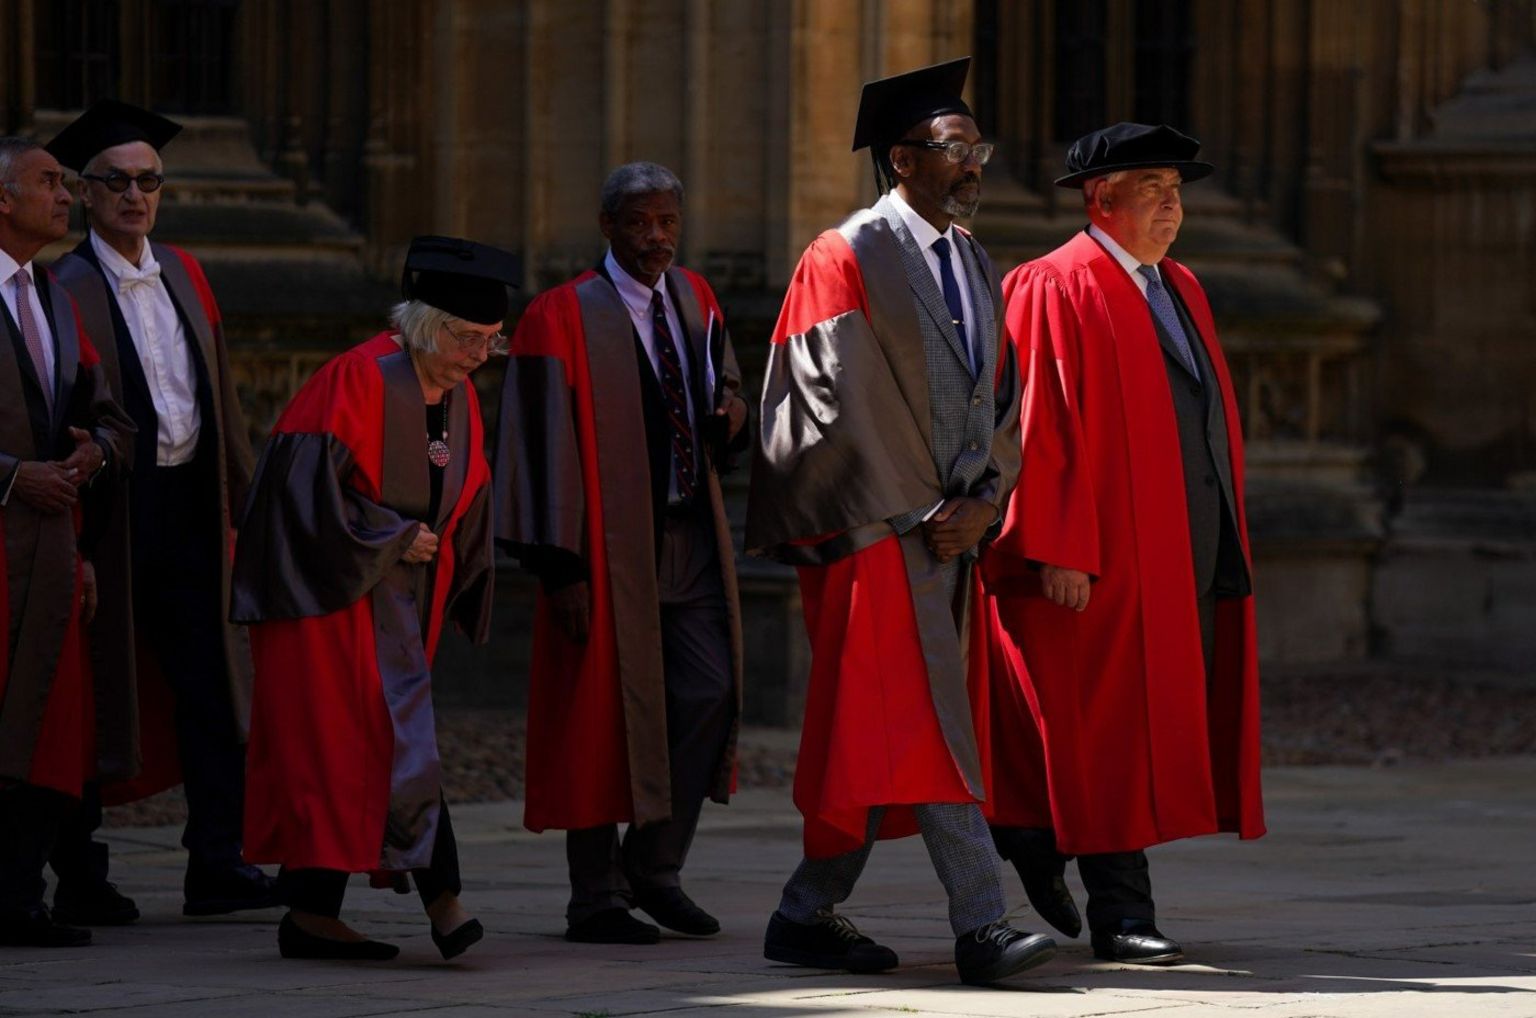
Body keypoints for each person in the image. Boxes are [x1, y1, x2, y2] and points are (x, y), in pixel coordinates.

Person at [744, 58, 1054, 987]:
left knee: (889, 735)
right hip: (877, 532)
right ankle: (983, 928)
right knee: (925, 725)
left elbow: (1002, 400)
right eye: (954, 149)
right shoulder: (842, 256)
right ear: (898, 159)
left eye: (977, 149)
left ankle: (804, 912)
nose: (973, 167)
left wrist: (985, 500)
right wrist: (927, 509)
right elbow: (829, 404)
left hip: (949, 538)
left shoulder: (972, 258)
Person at [981, 123, 1264, 966]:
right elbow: (1037, 427)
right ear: (1101, 198)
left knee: (1125, 731)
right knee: (1098, 730)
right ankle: (1118, 910)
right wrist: (1057, 542)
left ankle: (1032, 835)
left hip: (1173, 548)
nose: (1173, 205)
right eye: (1153, 188)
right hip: (1093, 556)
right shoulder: (1051, 285)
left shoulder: (1180, 287)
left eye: (1177, 189)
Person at [229, 235, 505, 961]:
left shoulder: (459, 392)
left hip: (400, 606)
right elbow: (294, 500)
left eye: (490, 341)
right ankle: (446, 904)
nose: (479, 354)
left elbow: (465, 493)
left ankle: (311, 915)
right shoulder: (356, 378)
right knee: (379, 746)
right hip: (332, 604)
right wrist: (388, 536)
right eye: (467, 337)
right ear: (423, 323)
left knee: (357, 754)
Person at [495, 161, 747, 945]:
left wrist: (730, 411)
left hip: (688, 535)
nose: (656, 238)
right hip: (601, 547)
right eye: (639, 223)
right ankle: (595, 896)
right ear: (608, 227)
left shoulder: (695, 297)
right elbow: (533, 448)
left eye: (668, 222)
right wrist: (558, 568)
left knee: (707, 691)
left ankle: (655, 865)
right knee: (599, 709)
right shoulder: (559, 315)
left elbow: (728, 385)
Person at [45, 99, 270, 925]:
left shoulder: (186, 271)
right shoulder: (63, 285)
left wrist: (246, 506)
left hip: (192, 507)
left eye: (149, 181)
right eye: (118, 182)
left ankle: (219, 862)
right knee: (99, 693)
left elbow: (224, 405)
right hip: (112, 517)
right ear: (85, 190)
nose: (135, 195)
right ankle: (82, 874)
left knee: (215, 684)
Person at [0, 136, 134, 947]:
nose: (67, 193)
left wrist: (94, 453)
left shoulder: (53, 296)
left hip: (50, 551)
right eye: (49, 182)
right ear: (3, 199)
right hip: (2, 537)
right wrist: (11, 475)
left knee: (41, 724)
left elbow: (110, 414)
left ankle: (17, 897)